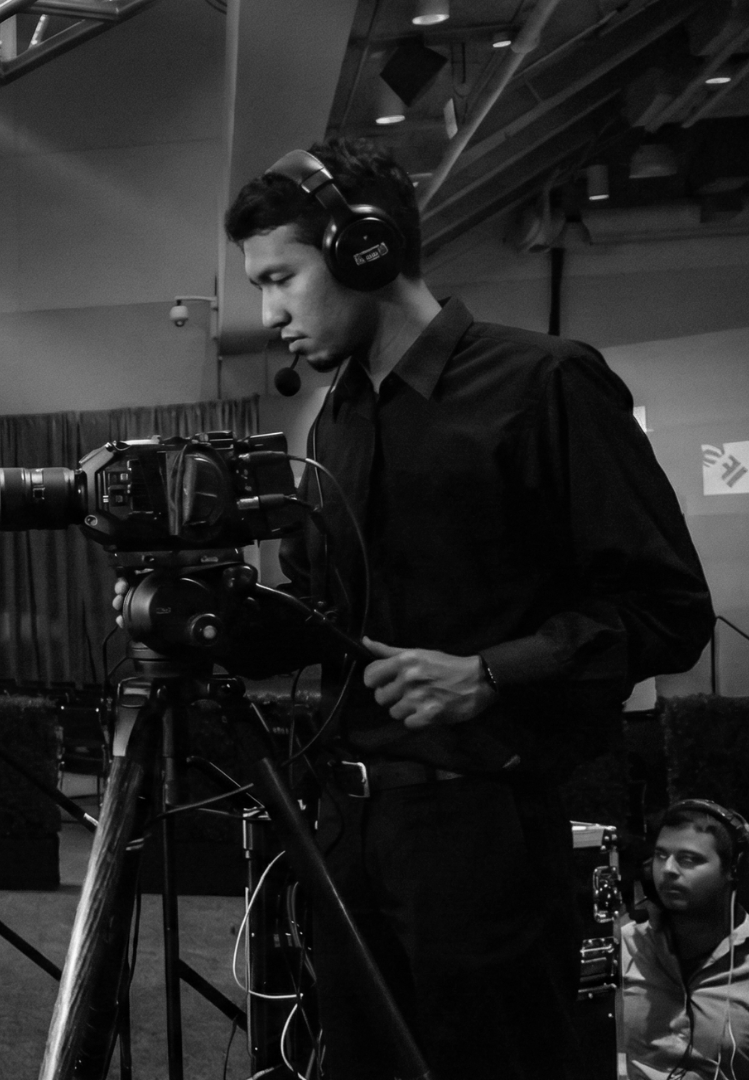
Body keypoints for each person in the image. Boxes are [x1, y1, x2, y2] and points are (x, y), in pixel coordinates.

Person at [168, 137, 712, 1079]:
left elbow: (670, 609)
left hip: (486, 840)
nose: (268, 314)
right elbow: (327, 613)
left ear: (362, 251)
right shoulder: (335, 419)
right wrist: (216, 615)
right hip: (349, 837)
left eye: (282, 278)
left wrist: (488, 674)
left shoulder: (545, 384)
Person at [623, 800, 749, 1078]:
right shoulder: (627, 946)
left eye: (688, 859)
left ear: (734, 869)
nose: (668, 869)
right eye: (660, 855)